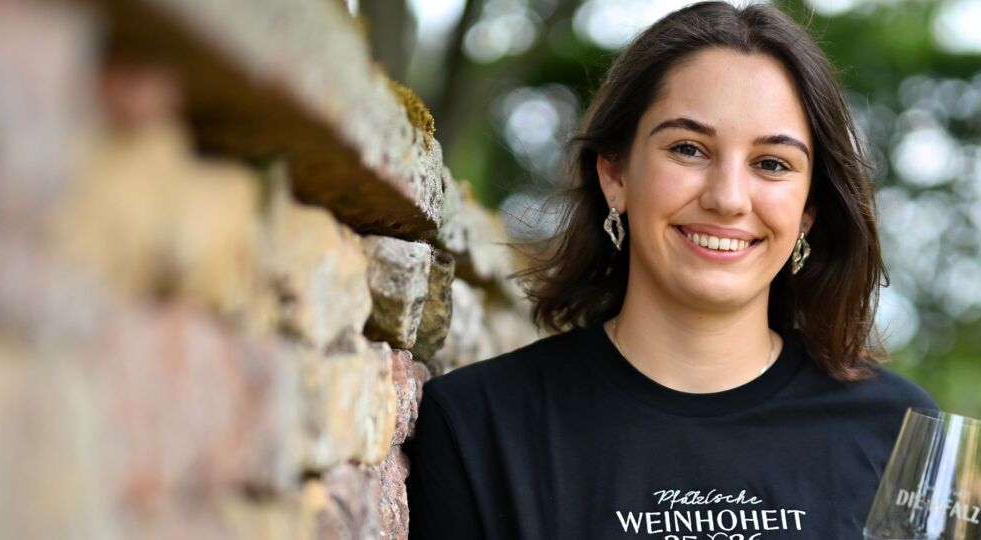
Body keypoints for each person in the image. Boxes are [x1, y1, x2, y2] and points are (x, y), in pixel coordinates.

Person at [401, 2, 939, 538]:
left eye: (772, 163)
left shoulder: (899, 433)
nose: (728, 198)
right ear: (615, 175)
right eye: (688, 149)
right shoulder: (478, 425)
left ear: (808, 210)